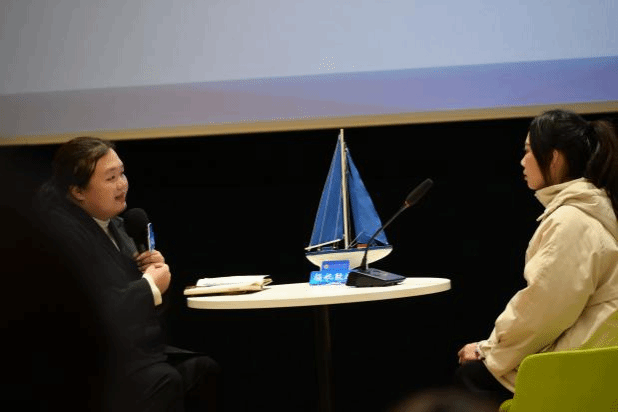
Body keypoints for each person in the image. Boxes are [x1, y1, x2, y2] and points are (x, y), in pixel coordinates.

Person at [33, 136, 220, 411]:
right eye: (111, 178)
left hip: (139, 353)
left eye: (122, 173)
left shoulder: (120, 226)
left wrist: (155, 278)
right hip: (94, 362)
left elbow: (151, 310)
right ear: (78, 191)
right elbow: (94, 309)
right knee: (165, 380)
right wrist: (150, 286)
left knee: (204, 369)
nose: (122, 184)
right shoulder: (62, 235)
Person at [455, 109, 618, 402]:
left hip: (574, 366)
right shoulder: (598, 208)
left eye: (528, 150)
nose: (522, 161)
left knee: (469, 374)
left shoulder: (571, 220)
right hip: (599, 360)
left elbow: (542, 311)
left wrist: (486, 350)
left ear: (553, 158)